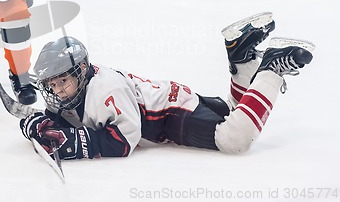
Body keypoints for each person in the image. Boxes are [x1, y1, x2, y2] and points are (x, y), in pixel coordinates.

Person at [20, 12, 314, 159]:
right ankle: (241, 53)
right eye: (51, 84)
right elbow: (58, 121)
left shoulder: (105, 90)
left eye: (62, 81)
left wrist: (74, 145)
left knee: (234, 139)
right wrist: (39, 124)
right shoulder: (73, 89)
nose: (57, 90)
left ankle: (271, 68)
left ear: (80, 71)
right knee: (234, 110)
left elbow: (122, 142)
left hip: (172, 116)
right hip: (172, 99)